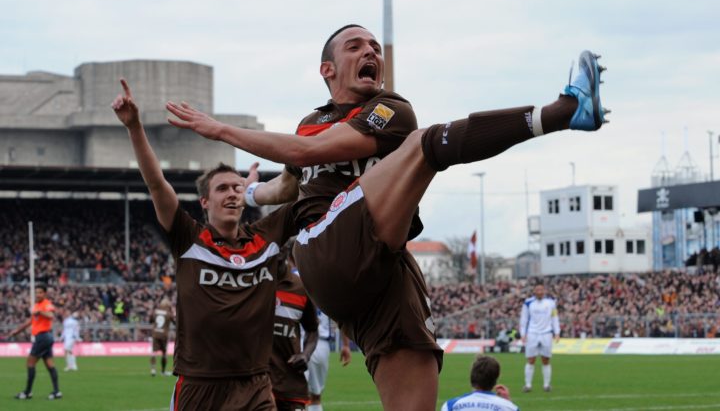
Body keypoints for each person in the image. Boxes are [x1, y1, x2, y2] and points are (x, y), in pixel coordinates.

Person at [166, 24, 607, 410]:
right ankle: (563, 112)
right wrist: (253, 189)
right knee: (425, 144)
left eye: (375, 47)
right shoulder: (309, 123)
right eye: (356, 46)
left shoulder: (390, 110)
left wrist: (221, 130)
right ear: (328, 70)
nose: (371, 53)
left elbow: (310, 152)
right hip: (326, 248)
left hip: (383, 270)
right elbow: (288, 184)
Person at [112, 79, 295, 411]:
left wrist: (268, 179)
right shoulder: (188, 238)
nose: (231, 193)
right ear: (205, 202)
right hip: (199, 386)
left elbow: (301, 188)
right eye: (222, 188)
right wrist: (135, 127)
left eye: (236, 188)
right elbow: (156, 184)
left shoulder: (266, 238)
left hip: (255, 384)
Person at [270, 240, 319, 411]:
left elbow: (312, 330)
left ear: (287, 250)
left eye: (283, 243)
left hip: (290, 382)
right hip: (257, 384)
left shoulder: (300, 287)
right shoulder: (253, 284)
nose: (279, 247)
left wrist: (305, 355)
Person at [10, 285, 62, 400]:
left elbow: (50, 315)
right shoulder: (36, 306)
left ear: (44, 294)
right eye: (37, 293)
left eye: (40, 293)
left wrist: (41, 312)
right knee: (50, 365)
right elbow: (31, 321)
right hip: (45, 338)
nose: (38, 295)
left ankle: (27, 392)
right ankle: (57, 392)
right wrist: (17, 331)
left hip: (43, 337)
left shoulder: (46, 304)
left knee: (30, 363)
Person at [306, 311, 352, 411]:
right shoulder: (328, 295)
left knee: (293, 394)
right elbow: (341, 316)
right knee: (315, 396)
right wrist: (345, 345)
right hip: (320, 345)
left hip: (297, 340)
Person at [520, 282, 560, 392]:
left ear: (544, 291)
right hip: (532, 333)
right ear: (534, 291)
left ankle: (546, 385)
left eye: (541, 290)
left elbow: (554, 318)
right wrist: (523, 333)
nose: (539, 292)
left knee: (546, 359)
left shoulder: (551, 303)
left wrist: (557, 332)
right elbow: (524, 319)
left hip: (546, 333)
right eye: (537, 290)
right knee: (531, 359)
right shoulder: (528, 303)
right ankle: (528, 385)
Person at [440, 355, 518, 411]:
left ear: (472, 376)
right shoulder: (509, 407)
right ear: (496, 378)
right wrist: (508, 402)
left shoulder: (450, 406)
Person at [150, 297, 174, 377]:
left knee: (154, 352)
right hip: (164, 335)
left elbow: (150, 320)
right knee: (164, 353)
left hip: (155, 333)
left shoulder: (156, 311)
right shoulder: (168, 313)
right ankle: (163, 371)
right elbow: (174, 322)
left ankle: (153, 370)